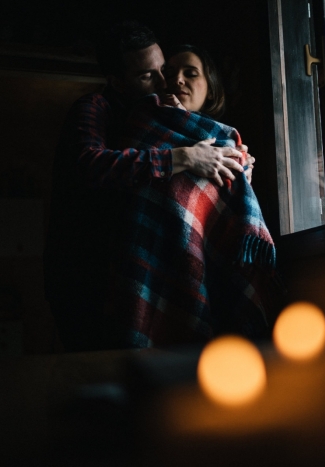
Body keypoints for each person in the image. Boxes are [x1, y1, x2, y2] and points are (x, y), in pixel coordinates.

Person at [43, 22, 255, 352]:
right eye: (146, 76)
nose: (162, 82)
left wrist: (236, 166)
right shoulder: (97, 108)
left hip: (152, 266)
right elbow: (90, 163)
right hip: (87, 274)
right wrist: (181, 158)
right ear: (117, 81)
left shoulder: (160, 115)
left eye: (162, 70)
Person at [105, 44, 281, 348]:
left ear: (210, 89)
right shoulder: (142, 124)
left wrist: (240, 173)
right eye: (170, 73)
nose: (178, 80)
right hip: (151, 261)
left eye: (191, 73)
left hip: (209, 270)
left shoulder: (230, 146)